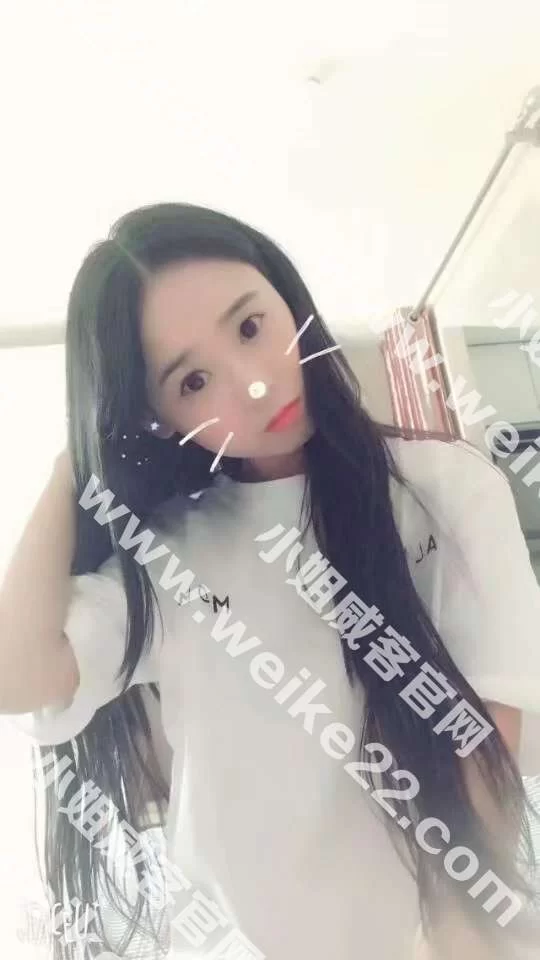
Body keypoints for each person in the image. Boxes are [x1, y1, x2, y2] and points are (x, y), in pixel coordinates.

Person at [1, 201, 540, 960]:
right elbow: (19, 675)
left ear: (287, 298)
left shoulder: (445, 488)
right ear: (156, 417)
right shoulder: (170, 551)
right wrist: (74, 464)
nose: (254, 385)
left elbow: (486, 735)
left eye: (251, 327)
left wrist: (457, 936)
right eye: (194, 381)